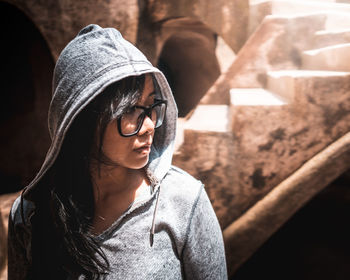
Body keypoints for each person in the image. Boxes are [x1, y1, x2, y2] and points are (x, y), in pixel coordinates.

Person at [7, 24, 227, 279]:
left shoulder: (183, 202)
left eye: (151, 105)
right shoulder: (31, 215)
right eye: (130, 110)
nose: (148, 127)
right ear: (82, 119)